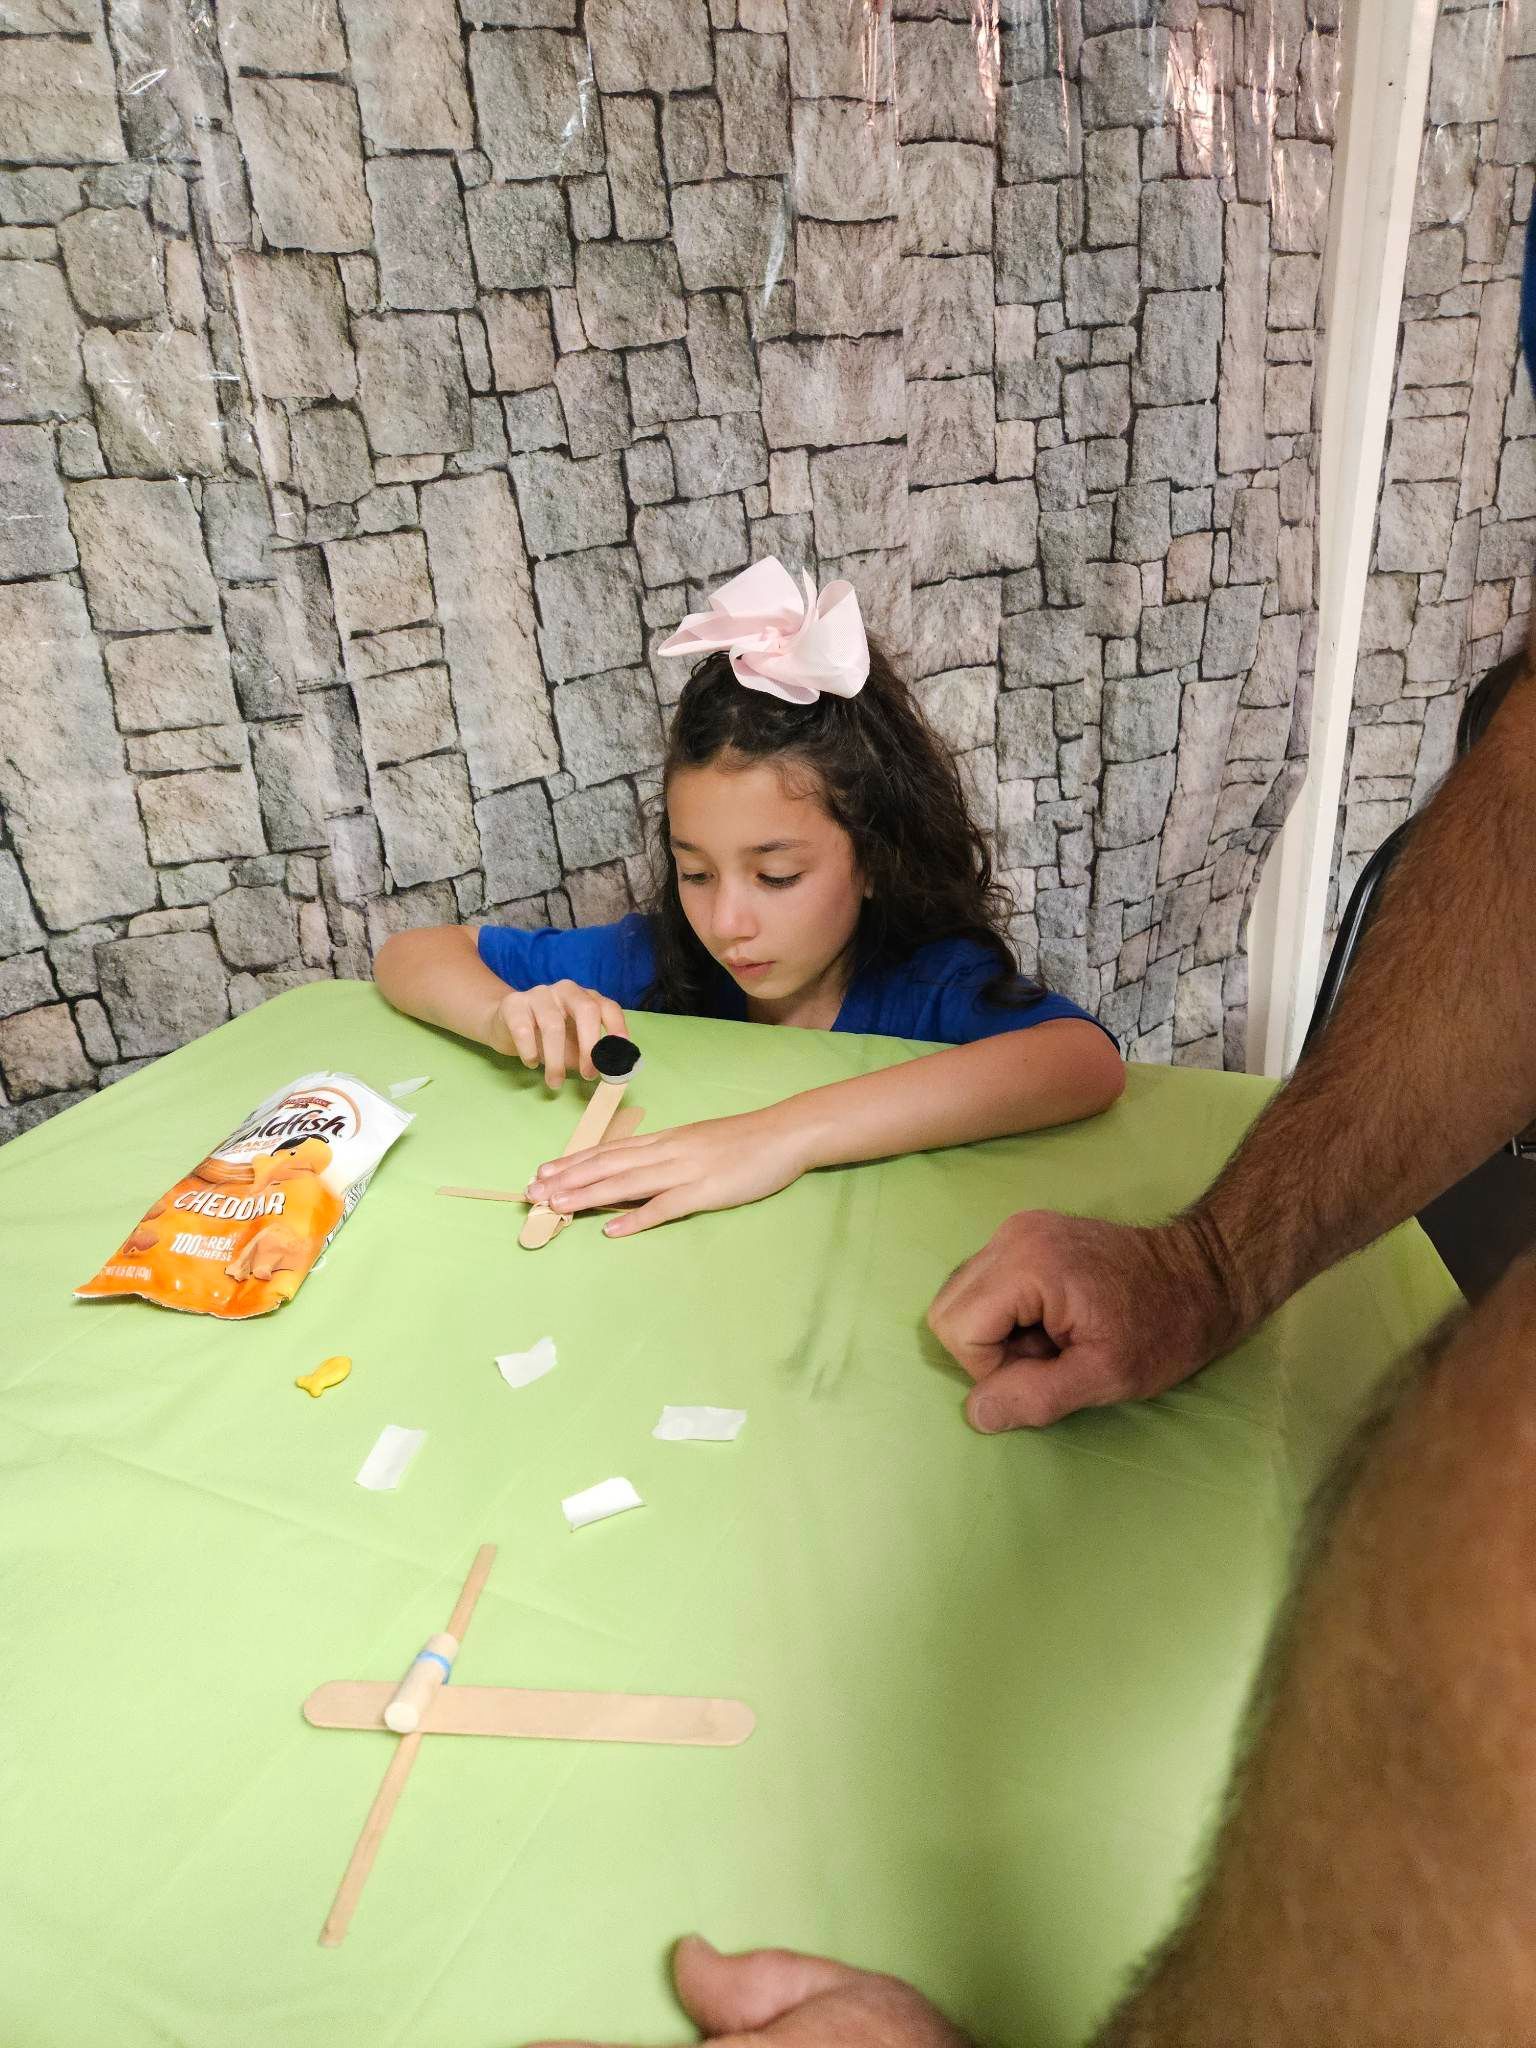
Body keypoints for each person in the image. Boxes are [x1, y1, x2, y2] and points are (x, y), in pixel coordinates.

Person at [376, 558, 1123, 1236]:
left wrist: (778, 1135)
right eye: (695, 874)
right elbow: (412, 953)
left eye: (777, 877)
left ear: (873, 860)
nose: (726, 924)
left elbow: (1084, 1062)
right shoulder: (658, 961)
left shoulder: (926, 985)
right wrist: (503, 1015)